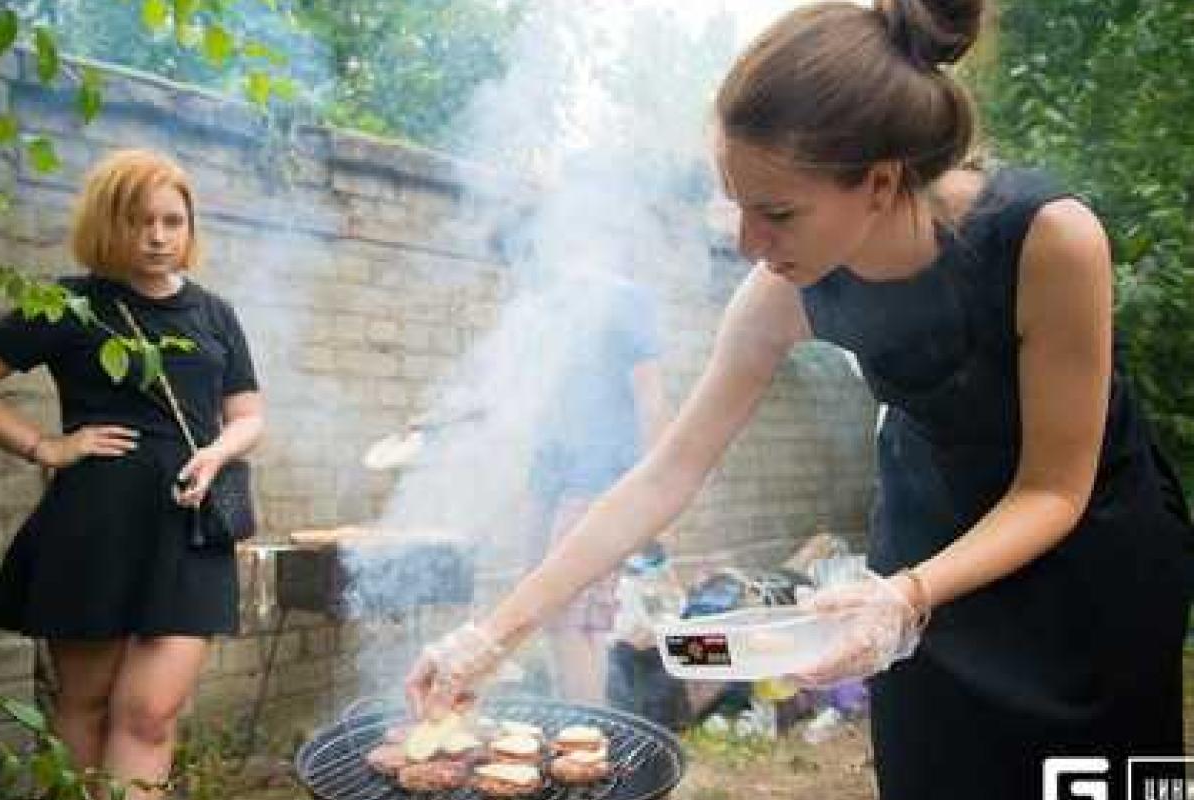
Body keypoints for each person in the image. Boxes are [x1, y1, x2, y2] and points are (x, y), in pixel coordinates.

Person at [407, 2, 1193, 797]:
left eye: (775, 212)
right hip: (924, 541)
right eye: (736, 203)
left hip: (1082, 558)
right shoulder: (777, 294)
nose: (746, 242)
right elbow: (664, 474)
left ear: (880, 184)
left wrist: (907, 594)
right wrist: (493, 633)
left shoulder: (1049, 239)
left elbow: (1053, 488)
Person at [0, 149, 264, 799]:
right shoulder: (71, 304)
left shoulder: (214, 313)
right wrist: (43, 446)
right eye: (141, 220)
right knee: (84, 704)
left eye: (174, 221)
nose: (159, 236)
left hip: (190, 527)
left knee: (150, 713)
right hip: (95, 527)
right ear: (109, 223)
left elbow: (250, 414)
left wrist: (217, 452)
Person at [495, 208, 672, 703]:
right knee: (542, 601)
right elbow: (528, 395)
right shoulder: (547, 312)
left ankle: (585, 734)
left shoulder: (622, 299)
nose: (520, 279)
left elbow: (651, 395)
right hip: (550, 471)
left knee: (573, 618)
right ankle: (575, 720)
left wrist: (654, 491)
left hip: (600, 472)